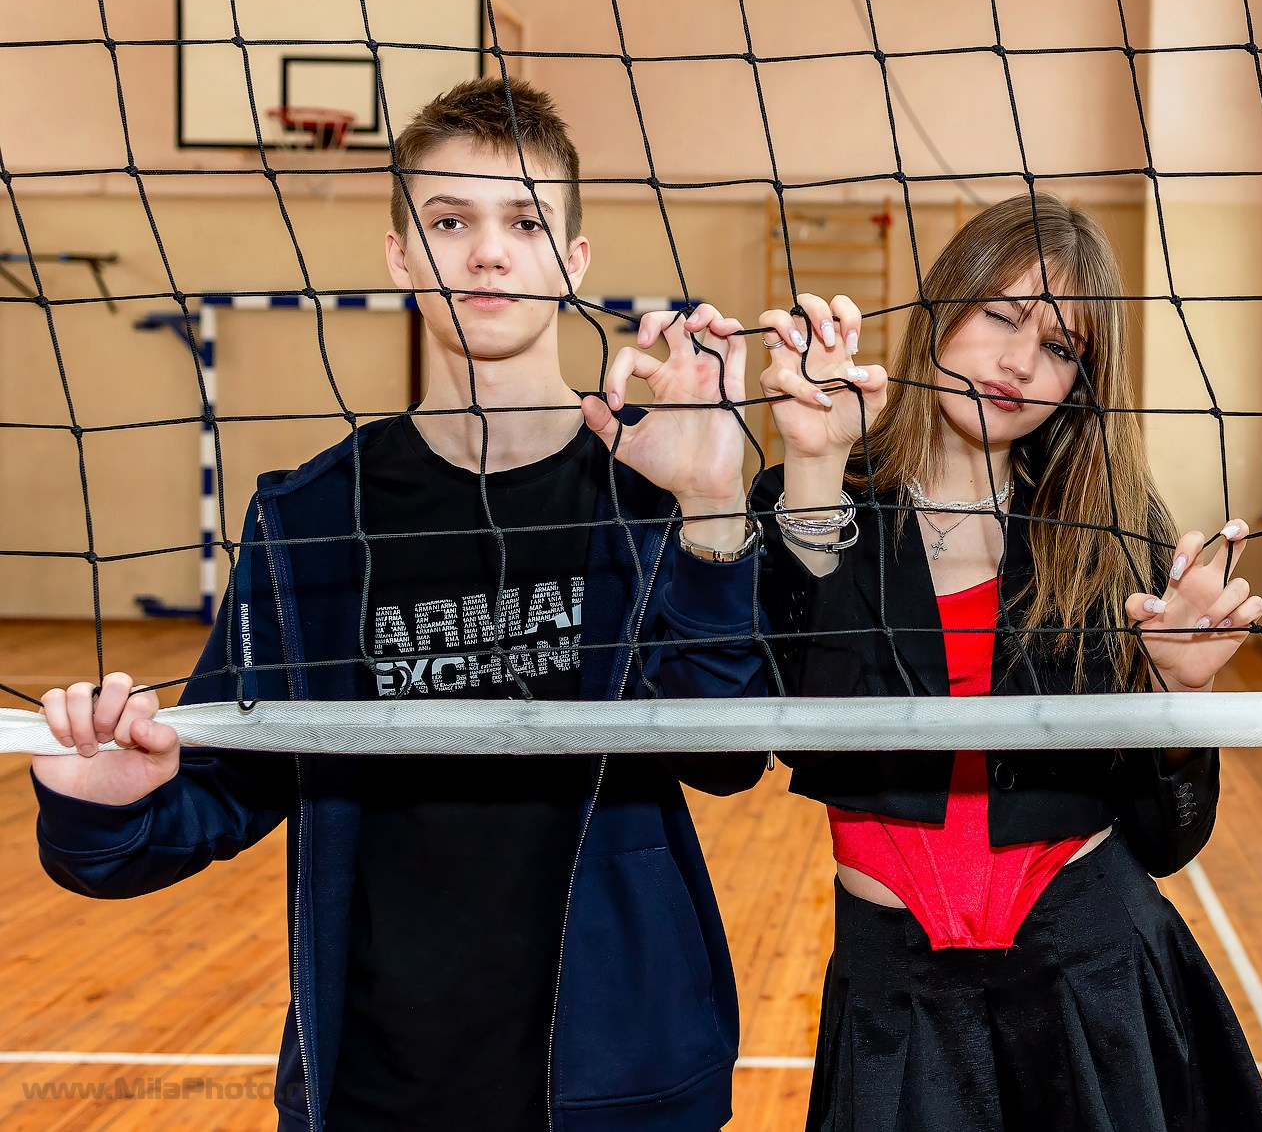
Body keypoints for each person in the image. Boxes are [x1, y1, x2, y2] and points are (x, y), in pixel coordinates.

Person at [32, 76, 770, 1132]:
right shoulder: (310, 516)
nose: (488, 253)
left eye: (525, 222)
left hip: (618, 1073)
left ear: (573, 260)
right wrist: (103, 808)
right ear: (400, 255)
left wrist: (711, 506)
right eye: (449, 221)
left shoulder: (649, 492)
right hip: (377, 1082)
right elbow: (224, 790)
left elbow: (726, 754)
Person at [751, 192, 1262, 1132]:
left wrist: (1177, 695)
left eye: (1060, 347)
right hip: (898, 996)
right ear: (943, 304)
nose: (1019, 363)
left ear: (1082, 380)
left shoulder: (1113, 531)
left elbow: (1169, 841)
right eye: (1001, 314)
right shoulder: (819, 492)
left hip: (1091, 978)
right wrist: (817, 475)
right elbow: (809, 719)